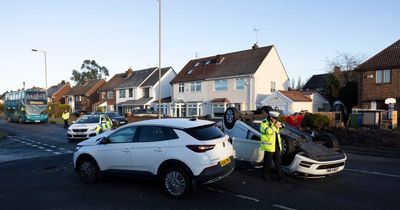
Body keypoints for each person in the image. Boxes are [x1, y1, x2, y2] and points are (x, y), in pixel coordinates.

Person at [260, 111, 286, 182]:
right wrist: (274, 126)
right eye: (274, 118)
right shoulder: (264, 122)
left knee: (278, 162)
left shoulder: (275, 122)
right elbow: (269, 131)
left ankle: (281, 177)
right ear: (271, 117)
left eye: (276, 118)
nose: (276, 119)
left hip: (276, 146)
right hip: (269, 147)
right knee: (267, 162)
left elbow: (283, 126)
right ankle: (265, 176)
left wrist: (280, 126)